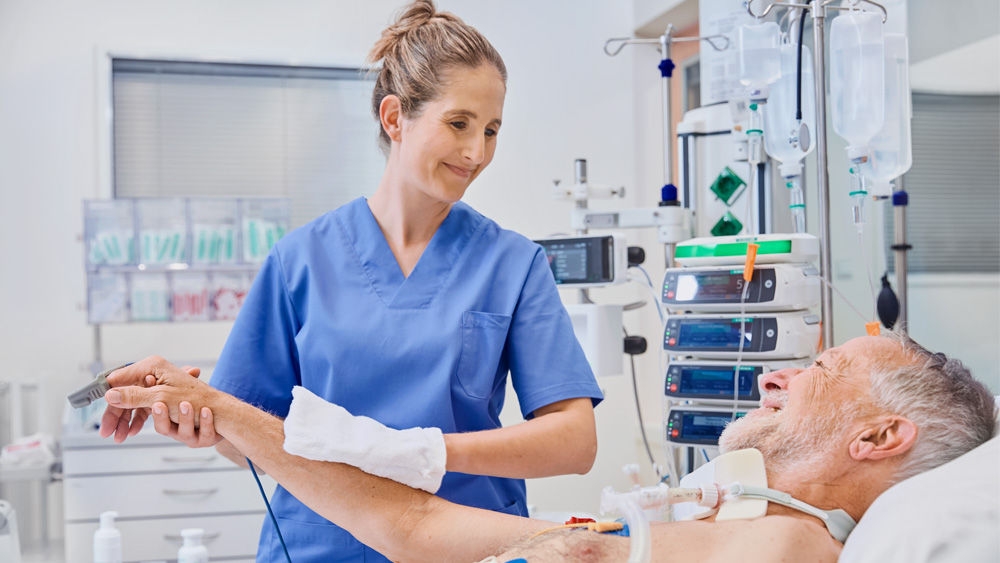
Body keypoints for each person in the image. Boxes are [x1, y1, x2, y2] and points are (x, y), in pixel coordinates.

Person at [98, 2, 603, 561]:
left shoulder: (512, 263)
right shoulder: (300, 260)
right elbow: (248, 439)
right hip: (320, 547)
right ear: (395, 118)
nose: (476, 151)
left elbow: (573, 441)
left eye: (491, 130)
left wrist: (420, 452)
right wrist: (212, 429)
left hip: (466, 546)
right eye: (458, 123)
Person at [100, 332, 996, 562]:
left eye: (821, 367)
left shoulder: (785, 543)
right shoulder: (720, 521)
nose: (780, 376)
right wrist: (217, 407)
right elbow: (409, 527)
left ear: (880, 435)